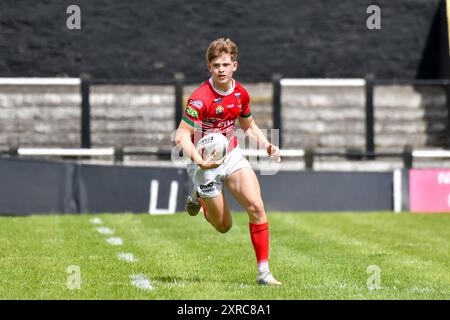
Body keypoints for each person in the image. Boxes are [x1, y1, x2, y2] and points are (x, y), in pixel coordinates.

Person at [174, 38, 282, 286]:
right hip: (202, 161)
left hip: (231, 154)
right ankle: (200, 198)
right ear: (209, 68)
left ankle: (264, 273)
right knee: (224, 226)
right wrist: (200, 161)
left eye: (225, 64)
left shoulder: (240, 94)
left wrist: (266, 145)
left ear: (235, 65)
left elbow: (248, 126)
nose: (221, 69)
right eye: (215, 65)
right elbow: (181, 136)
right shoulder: (200, 98)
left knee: (256, 206)